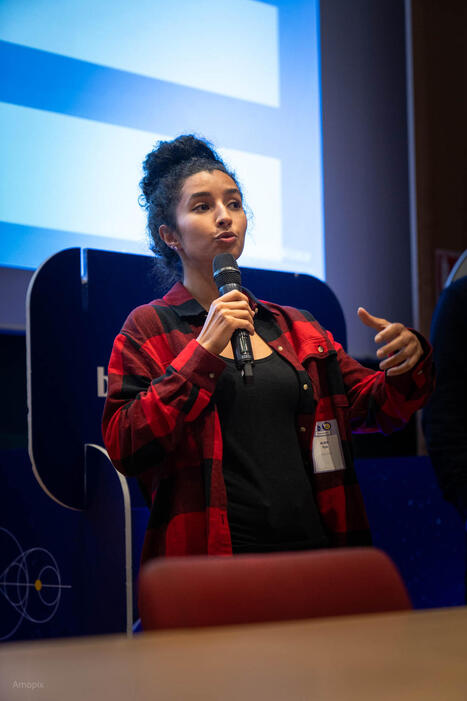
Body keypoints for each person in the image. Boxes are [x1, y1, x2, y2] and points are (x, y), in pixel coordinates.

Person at [102, 134, 434, 563]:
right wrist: (203, 353)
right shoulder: (149, 328)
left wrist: (407, 361)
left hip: (316, 559)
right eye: (202, 207)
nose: (225, 217)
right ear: (170, 236)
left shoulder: (296, 326)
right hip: (215, 567)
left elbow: (379, 407)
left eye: (234, 203)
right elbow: (125, 444)